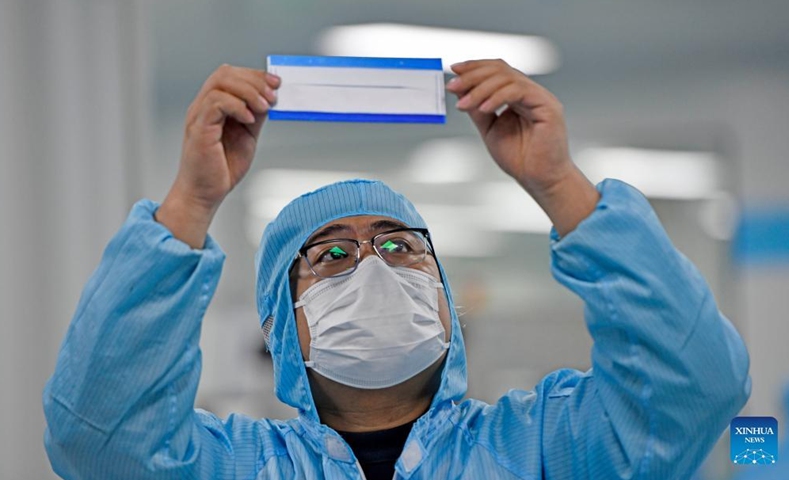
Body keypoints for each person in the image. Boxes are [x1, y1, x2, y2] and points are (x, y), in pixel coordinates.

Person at [43, 59, 751, 479]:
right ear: (282, 325)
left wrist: (562, 185)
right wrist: (191, 203)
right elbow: (98, 437)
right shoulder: (238, 465)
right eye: (332, 256)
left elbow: (693, 387)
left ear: (444, 301)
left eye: (399, 246)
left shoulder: (542, 447)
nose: (374, 269)